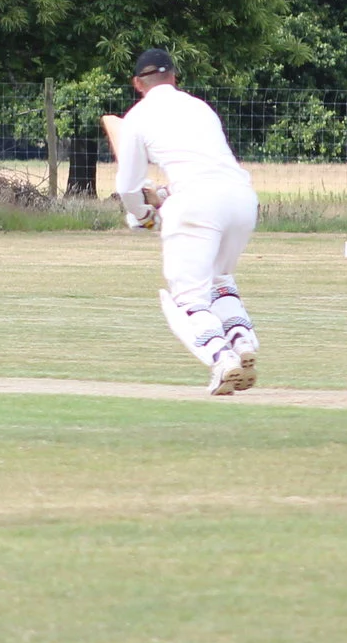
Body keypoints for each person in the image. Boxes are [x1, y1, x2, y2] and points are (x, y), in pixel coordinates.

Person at [101, 47, 265, 395]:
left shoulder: (137, 117)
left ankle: (223, 360)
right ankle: (241, 338)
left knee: (188, 298)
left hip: (195, 203)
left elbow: (127, 188)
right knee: (218, 278)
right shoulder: (200, 107)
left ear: (137, 83)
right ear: (174, 77)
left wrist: (144, 215)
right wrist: (164, 195)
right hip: (241, 199)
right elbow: (201, 165)